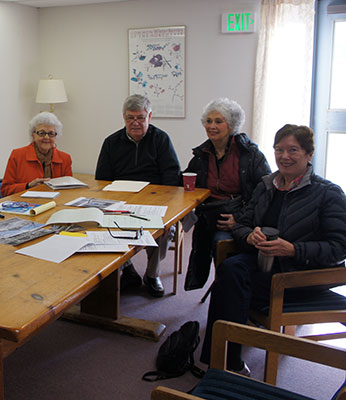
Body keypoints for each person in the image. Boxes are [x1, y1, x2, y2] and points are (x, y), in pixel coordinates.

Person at [199, 124, 346, 375]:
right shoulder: (267, 185)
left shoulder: (327, 194)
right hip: (264, 263)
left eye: (293, 150)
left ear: (309, 155)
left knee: (232, 283)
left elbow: (339, 247)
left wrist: (293, 249)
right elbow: (241, 223)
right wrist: (250, 235)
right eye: (279, 150)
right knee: (230, 270)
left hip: (300, 273)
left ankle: (223, 364)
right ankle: (225, 362)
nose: (284, 156)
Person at [95, 94, 181, 297]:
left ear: (149, 116)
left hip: (155, 200)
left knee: (165, 229)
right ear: (124, 118)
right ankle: (128, 269)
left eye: (140, 118)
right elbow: (102, 179)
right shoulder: (111, 142)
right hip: (121, 200)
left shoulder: (161, 139)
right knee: (101, 223)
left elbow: (172, 176)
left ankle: (152, 275)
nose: (135, 122)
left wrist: (158, 199)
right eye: (130, 118)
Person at [183, 98, 270, 291]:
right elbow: (186, 179)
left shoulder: (250, 154)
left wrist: (239, 219)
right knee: (201, 241)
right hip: (208, 214)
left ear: (231, 125)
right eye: (209, 121)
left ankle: (227, 290)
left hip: (239, 216)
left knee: (219, 242)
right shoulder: (202, 153)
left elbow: (265, 191)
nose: (212, 126)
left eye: (218, 121)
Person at [1, 112, 72, 197]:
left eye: (51, 133)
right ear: (33, 135)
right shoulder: (17, 155)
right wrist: (28, 186)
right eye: (41, 133)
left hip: (55, 205)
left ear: (56, 136)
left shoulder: (65, 158)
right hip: (25, 206)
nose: (46, 137)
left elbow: (69, 191)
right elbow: (5, 191)